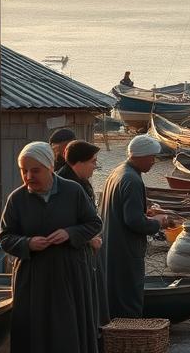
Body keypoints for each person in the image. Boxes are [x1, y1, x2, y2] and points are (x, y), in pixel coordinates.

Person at [0, 141, 102, 353]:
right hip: (33, 278)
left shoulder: (72, 191)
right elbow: (5, 237)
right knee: (34, 332)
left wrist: (70, 233)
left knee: (68, 329)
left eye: (35, 171)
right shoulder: (17, 199)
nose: (29, 176)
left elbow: (94, 223)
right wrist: (27, 243)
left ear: (50, 167)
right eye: (24, 171)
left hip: (70, 274)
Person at [100, 134, 171, 319]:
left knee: (114, 296)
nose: (153, 162)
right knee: (129, 299)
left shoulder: (117, 172)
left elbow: (124, 210)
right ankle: (129, 332)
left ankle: (113, 330)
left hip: (112, 247)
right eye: (151, 157)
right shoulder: (132, 180)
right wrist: (158, 222)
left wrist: (144, 211)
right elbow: (134, 221)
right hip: (125, 250)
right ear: (140, 156)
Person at [58, 140, 110, 329]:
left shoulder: (80, 182)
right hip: (74, 256)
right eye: (92, 161)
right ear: (79, 162)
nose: (95, 166)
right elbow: (62, 222)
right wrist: (88, 239)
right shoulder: (67, 186)